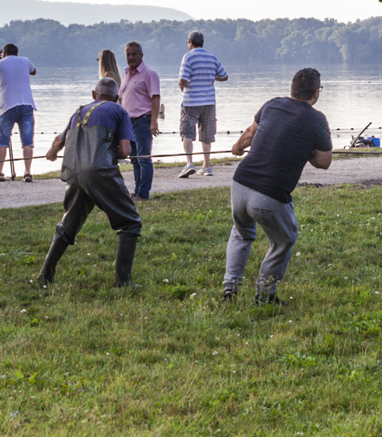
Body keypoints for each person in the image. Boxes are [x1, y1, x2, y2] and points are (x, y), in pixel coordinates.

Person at [222, 67, 334, 303]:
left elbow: (249, 135)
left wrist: (237, 148)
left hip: (240, 183)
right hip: (270, 195)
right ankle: (264, 296)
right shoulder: (317, 119)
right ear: (316, 92)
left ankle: (229, 289)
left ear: (292, 88)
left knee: (241, 233)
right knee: (284, 239)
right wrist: (306, 149)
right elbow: (324, 162)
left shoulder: (272, 105)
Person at [36, 77, 142, 287]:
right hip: (99, 173)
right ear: (117, 98)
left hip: (74, 173)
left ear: (94, 95)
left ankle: (45, 276)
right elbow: (125, 150)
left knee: (69, 224)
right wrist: (108, 154)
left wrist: (51, 153)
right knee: (130, 222)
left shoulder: (78, 112)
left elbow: (58, 141)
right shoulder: (119, 111)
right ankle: (123, 282)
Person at [176, 30, 229, 177]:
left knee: (187, 132)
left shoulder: (188, 57)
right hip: (209, 101)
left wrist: (182, 88)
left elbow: (183, 79)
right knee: (206, 133)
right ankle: (206, 166)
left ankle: (189, 164)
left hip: (191, 101)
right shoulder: (212, 56)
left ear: (190, 42)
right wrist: (211, 77)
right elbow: (224, 76)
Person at [0, 43, 38, 183]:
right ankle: (27, 173)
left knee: (2, 140)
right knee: (27, 140)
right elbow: (33, 71)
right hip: (27, 105)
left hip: (8, 106)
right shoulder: (25, 61)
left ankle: (0, 173)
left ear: (4, 52)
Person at [119, 40, 164, 200]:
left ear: (141, 55)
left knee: (143, 158)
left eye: (134, 54)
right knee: (134, 159)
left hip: (143, 121)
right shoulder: (126, 74)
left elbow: (155, 97)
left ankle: (143, 194)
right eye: (128, 55)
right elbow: (121, 98)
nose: (131, 57)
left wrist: (154, 122)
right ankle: (137, 191)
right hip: (128, 123)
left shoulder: (149, 74)